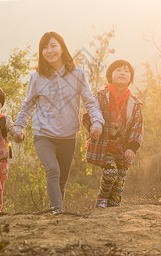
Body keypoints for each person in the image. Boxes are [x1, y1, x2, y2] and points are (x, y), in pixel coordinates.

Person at [14, 31, 104, 213]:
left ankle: (58, 217)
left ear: (62, 48)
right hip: (43, 135)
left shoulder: (78, 74)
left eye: (53, 45)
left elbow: (89, 101)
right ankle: (57, 210)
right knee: (53, 170)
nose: (49, 51)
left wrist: (97, 122)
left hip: (68, 136)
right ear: (41, 52)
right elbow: (28, 104)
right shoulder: (36, 77)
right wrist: (19, 126)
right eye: (45, 47)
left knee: (62, 179)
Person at [83, 59, 143, 208]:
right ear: (110, 75)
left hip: (123, 150)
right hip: (104, 148)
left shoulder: (135, 103)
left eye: (126, 71)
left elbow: (138, 126)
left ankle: (111, 216)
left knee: (118, 188)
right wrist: (93, 126)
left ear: (131, 78)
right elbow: (88, 115)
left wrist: (132, 147)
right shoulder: (101, 96)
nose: (122, 73)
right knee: (110, 173)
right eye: (118, 70)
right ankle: (101, 199)